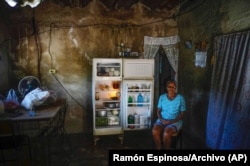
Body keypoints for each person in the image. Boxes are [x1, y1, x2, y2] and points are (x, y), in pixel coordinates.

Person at [152, 80, 186, 149]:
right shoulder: (162, 97)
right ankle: (159, 148)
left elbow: (183, 114)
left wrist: (171, 122)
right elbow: (158, 111)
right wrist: (161, 119)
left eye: (173, 87)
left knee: (166, 133)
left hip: (175, 121)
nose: (171, 89)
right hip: (162, 119)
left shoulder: (180, 98)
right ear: (166, 88)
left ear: (175, 88)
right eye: (169, 87)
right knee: (155, 131)